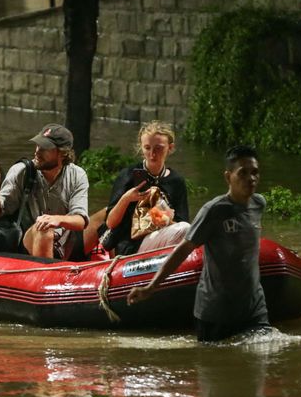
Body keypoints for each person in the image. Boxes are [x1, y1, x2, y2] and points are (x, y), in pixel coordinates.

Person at [127, 145, 269, 343]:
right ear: (228, 177)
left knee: (264, 358)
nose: (251, 178)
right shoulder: (214, 211)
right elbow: (183, 249)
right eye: (243, 173)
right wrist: (151, 287)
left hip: (253, 308)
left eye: (255, 172)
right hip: (216, 311)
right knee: (215, 369)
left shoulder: (258, 204)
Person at [0, 123, 89, 259]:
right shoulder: (21, 171)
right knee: (44, 229)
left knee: (104, 215)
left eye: (45, 148)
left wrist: (57, 219)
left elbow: (81, 220)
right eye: (38, 145)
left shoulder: (78, 175)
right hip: (30, 241)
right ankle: (45, 276)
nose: (37, 152)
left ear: (63, 153)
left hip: (63, 242)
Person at [100, 121, 190, 256]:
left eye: (158, 148)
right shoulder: (128, 175)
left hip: (163, 236)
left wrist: (163, 218)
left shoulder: (176, 181)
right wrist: (126, 199)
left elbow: (182, 222)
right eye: (147, 148)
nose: (152, 154)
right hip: (131, 244)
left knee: (186, 228)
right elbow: (111, 223)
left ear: (170, 148)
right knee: (185, 229)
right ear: (141, 148)